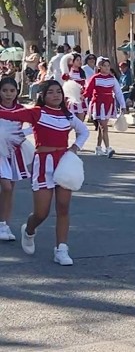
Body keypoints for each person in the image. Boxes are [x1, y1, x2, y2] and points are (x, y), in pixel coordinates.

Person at [0, 79, 89, 266]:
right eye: (50, 92)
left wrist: (74, 148)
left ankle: (61, 249)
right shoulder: (36, 112)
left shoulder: (68, 115)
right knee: (41, 213)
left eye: (58, 92)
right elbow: (10, 115)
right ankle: (29, 230)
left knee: (63, 207)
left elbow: (84, 132)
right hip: (43, 165)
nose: (56, 95)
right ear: (42, 95)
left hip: (64, 163)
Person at [0, 78, 29, 242]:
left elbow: (35, 123)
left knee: (10, 189)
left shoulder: (21, 109)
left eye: (12, 90)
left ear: (17, 92)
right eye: (5, 90)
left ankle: (4, 224)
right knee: (6, 187)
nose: (8, 94)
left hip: (14, 153)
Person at [84, 57, 128, 158]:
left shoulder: (112, 78)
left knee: (102, 127)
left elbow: (118, 93)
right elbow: (88, 92)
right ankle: (108, 148)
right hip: (98, 104)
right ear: (100, 67)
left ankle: (98, 147)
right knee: (104, 126)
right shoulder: (95, 78)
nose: (107, 68)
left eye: (108, 66)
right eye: (104, 66)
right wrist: (80, 97)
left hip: (109, 104)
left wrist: (123, 105)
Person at [60, 52, 88, 122]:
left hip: (81, 97)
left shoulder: (82, 72)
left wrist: (84, 91)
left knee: (81, 120)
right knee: (71, 120)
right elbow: (65, 81)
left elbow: (85, 83)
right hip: (71, 99)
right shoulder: (69, 72)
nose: (79, 62)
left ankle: (79, 132)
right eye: (77, 60)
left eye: (80, 60)